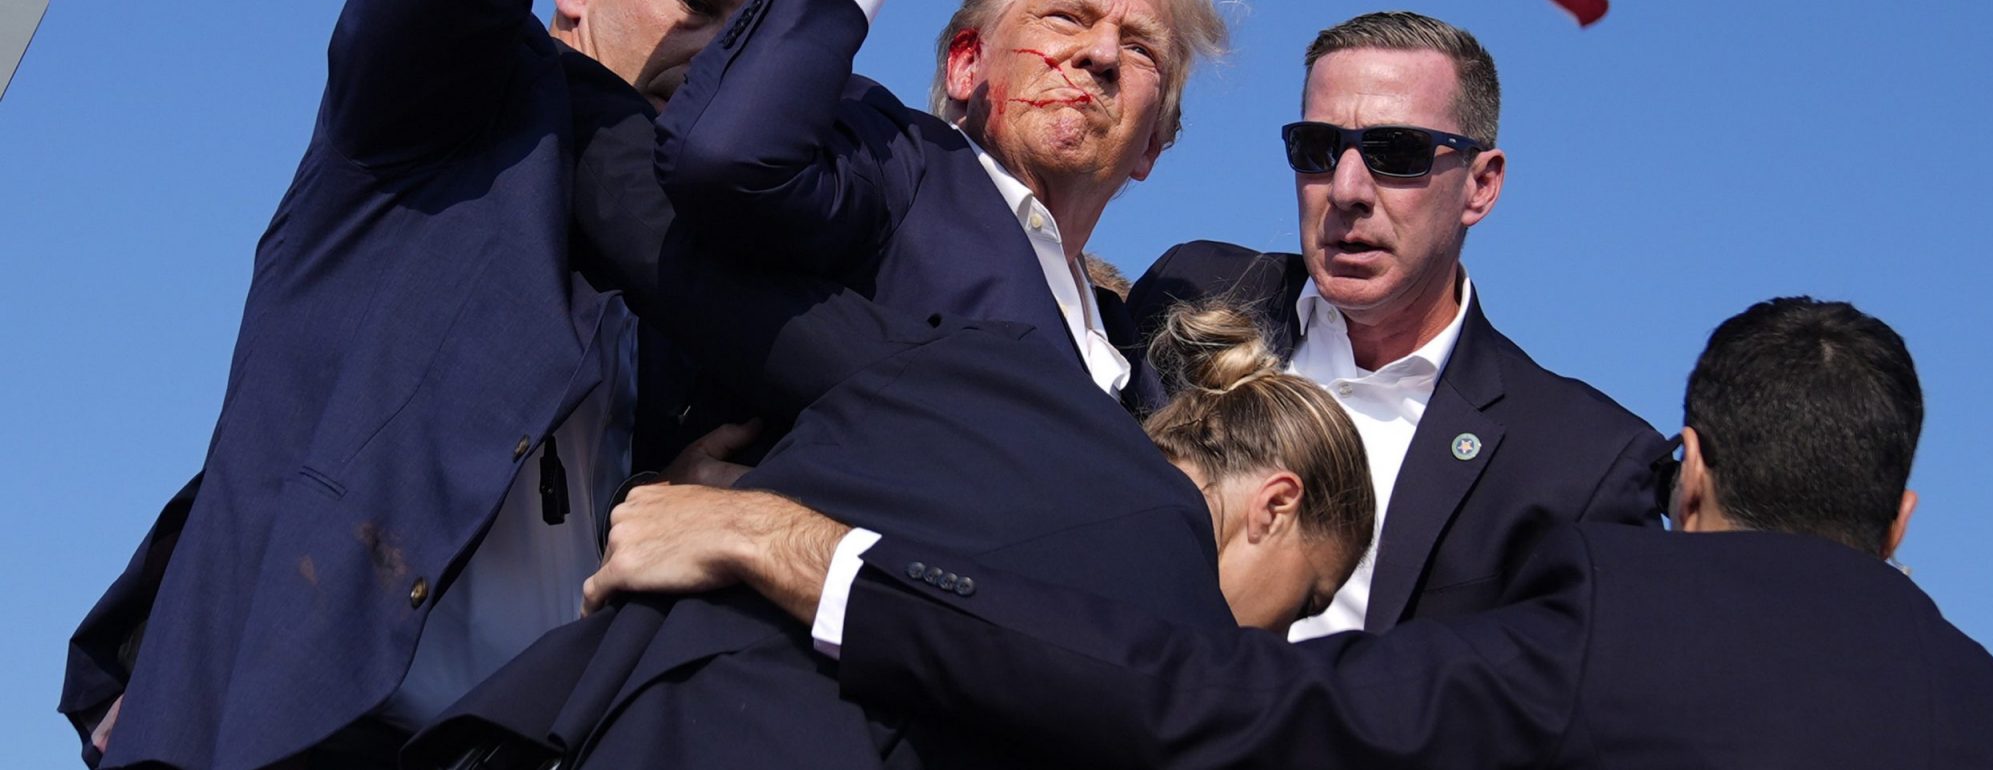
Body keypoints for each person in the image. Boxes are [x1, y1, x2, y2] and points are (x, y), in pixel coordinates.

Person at [60, 0, 994, 770]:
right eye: (696, 3)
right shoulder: (435, 115)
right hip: (291, 727)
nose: (719, 51)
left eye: (748, 31)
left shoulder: (701, 260)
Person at [617, 296, 1993, 768]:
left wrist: (804, 547)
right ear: (1903, 519)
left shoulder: (1612, 630)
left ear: (1691, 470)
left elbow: (1199, 699)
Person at [400, 287, 1367, 769]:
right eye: (1309, 595)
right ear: (1276, 504)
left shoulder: (999, 377)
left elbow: (715, 265)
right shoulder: (1178, 622)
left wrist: (744, 498)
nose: (1278, 634)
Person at [1131, 11, 1664, 635]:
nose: (1348, 188)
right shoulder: (1192, 287)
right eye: (1318, 149)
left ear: (1481, 185)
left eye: (1397, 153)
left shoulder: (1581, 464)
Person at [655, 0, 1229, 416]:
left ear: (1151, 145)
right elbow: (726, 156)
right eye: (1065, 17)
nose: (1102, 54)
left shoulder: (1132, 362)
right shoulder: (891, 163)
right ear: (966, 66)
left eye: (1140, 49)